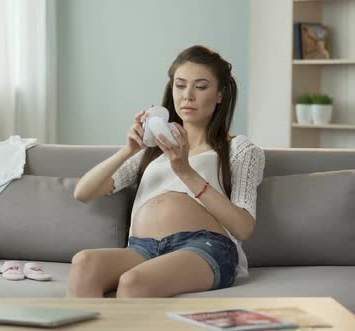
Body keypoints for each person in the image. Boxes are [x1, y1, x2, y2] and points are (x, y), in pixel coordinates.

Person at [68, 45, 265, 298]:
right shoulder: (152, 150)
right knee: (84, 262)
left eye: (201, 86)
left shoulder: (238, 149)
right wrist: (128, 149)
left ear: (220, 94)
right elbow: (83, 193)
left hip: (205, 248)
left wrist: (185, 171)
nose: (188, 95)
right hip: (143, 249)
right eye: (180, 85)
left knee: (133, 282)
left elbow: (243, 227)